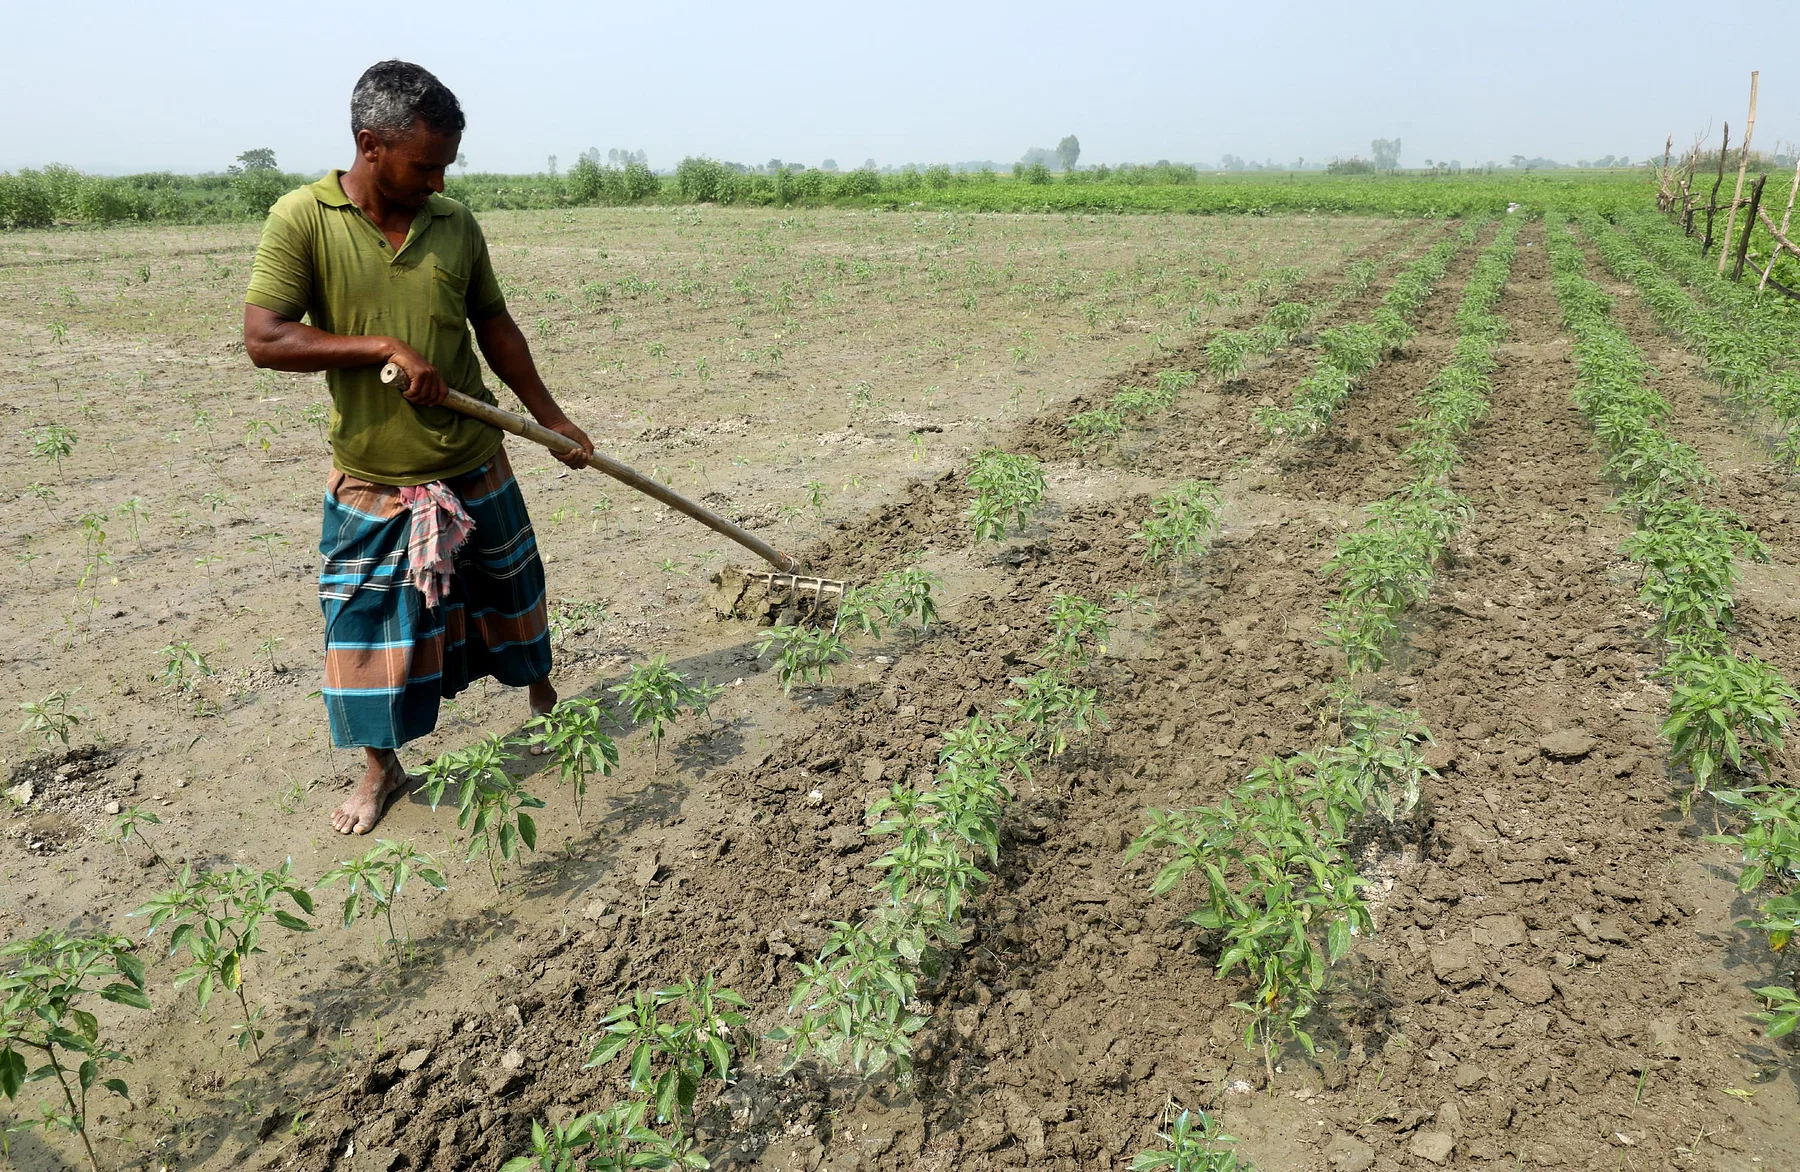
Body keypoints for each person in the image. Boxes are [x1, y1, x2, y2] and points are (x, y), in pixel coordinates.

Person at [243, 60, 594, 835]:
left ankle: (542, 699)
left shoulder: (454, 223)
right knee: (366, 633)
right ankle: (380, 769)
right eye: (425, 165)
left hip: (475, 456)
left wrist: (551, 419)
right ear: (370, 145)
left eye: (447, 165)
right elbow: (264, 339)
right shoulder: (302, 219)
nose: (438, 182)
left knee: (513, 596)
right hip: (377, 476)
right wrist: (377, 346)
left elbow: (494, 324)